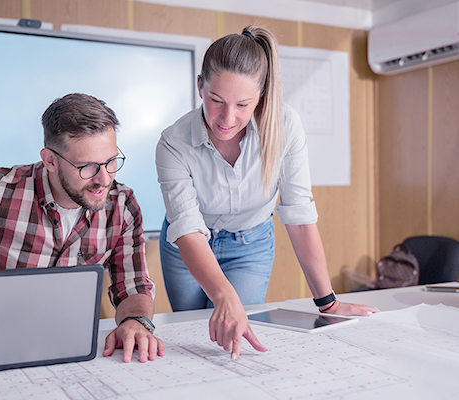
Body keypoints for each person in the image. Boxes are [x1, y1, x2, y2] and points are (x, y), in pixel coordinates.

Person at [155, 26, 379, 359]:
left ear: (260, 97)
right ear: (200, 85)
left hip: (251, 245)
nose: (228, 118)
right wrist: (223, 295)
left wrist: (328, 303)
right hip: (187, 246)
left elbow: (299, 216)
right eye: (216, 101)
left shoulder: (285, 126)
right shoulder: (173, 142)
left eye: (243, 104)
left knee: (234, 334)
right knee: (193, 334)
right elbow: (188, 228)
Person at [0, 93, 164, 363]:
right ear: (50, 160)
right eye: (87, 167)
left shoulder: (122, 205)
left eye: (111, 161)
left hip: (70, 348)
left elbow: (133, 286)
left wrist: (135, 321)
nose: (104, 179)